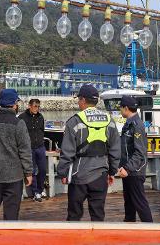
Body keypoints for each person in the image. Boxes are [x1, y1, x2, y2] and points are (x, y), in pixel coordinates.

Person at [57, 84, 121, 221]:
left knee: (74, 215)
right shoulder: (109, 120)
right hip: (101, 174)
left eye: (79, 99)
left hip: (78, 175)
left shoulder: (74, 121)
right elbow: (115, 149)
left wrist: (63, 172)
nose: (78, 102)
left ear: (83, 100)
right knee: (98, 214)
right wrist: (112, 171)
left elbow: (67, 151)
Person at [0, 89, 33, 220]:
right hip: (14, 176)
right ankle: (8, 238)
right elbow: (25, 150)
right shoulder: (18, 123)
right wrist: (28, 173)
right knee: (11, 212)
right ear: (14, 104)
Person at [118, 95, 153, 222]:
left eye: (120, 108)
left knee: (140, 203)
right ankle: (129, 224)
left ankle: (150, 230)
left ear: (126, 108)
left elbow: (140, 152)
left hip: (134, 171)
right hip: (128, 171)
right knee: (129, 203)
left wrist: (127, 168)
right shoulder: (128, 124)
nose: (120, 111)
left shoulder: (136, 125)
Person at [18, 98, 47, 202]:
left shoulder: (40, 117)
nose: (37, 108)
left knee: (43, 169)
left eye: (38, 106)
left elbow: (42, 130)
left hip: (40, 147)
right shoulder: (22, 118)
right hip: (29, 148)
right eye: (35, 106)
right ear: (29, 106)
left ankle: (41, 189)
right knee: (32, 170)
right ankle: (35, 192)